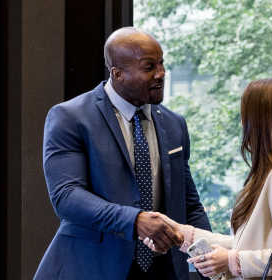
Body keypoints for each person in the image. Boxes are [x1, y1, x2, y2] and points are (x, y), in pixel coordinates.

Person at [35, 27, 211, 280]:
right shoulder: (69, 117)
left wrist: (210, 260)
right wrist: (135, 220)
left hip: (164, 271)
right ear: (117, 74)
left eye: (162, 64)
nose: (161, 74)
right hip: (91, 268)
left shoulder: (174, 124)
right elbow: (67, 196)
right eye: (149, 67)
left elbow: (188, 203)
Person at [175, 78, 272, 280]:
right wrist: (181, 234)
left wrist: (231, 261)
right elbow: (247, 244)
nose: (242, 124)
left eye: (246, 116)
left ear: (264, 123)